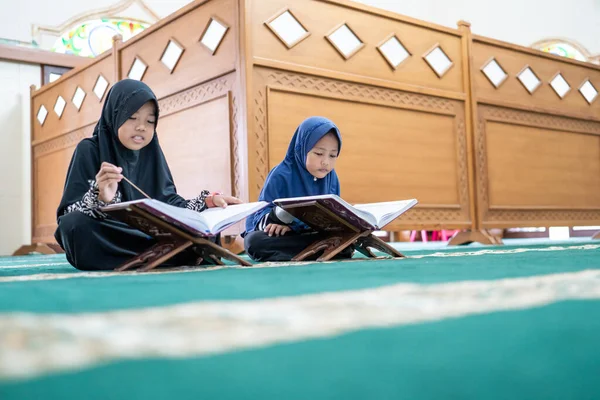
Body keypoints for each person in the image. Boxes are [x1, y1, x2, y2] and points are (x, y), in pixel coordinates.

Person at [54, 79, 240, 270]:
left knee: (205, 221)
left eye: (150, 121)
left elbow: (169, 204)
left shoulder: (152, 153)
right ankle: (173, 255)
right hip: (111, 234)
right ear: (115, 115)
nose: (141, 127)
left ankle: (163, 254)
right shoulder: (89, 149)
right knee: (74, 225)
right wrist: (99, 197)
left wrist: (207, 202)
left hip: (151, 233)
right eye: (132, 118)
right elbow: (69, 212)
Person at [243, 116, 353, 262]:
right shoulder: (281, 174)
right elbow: (261, 214)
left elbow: (332, 219)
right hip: (283, 237)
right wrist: (279, 222)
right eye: (319, 153)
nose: (326, 162)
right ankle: (321, 252)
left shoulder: (332, 178)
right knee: (254, 242)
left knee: (346, 242)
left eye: (333, 155)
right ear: (302, 148)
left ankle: (310, 252)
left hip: (311, 235)